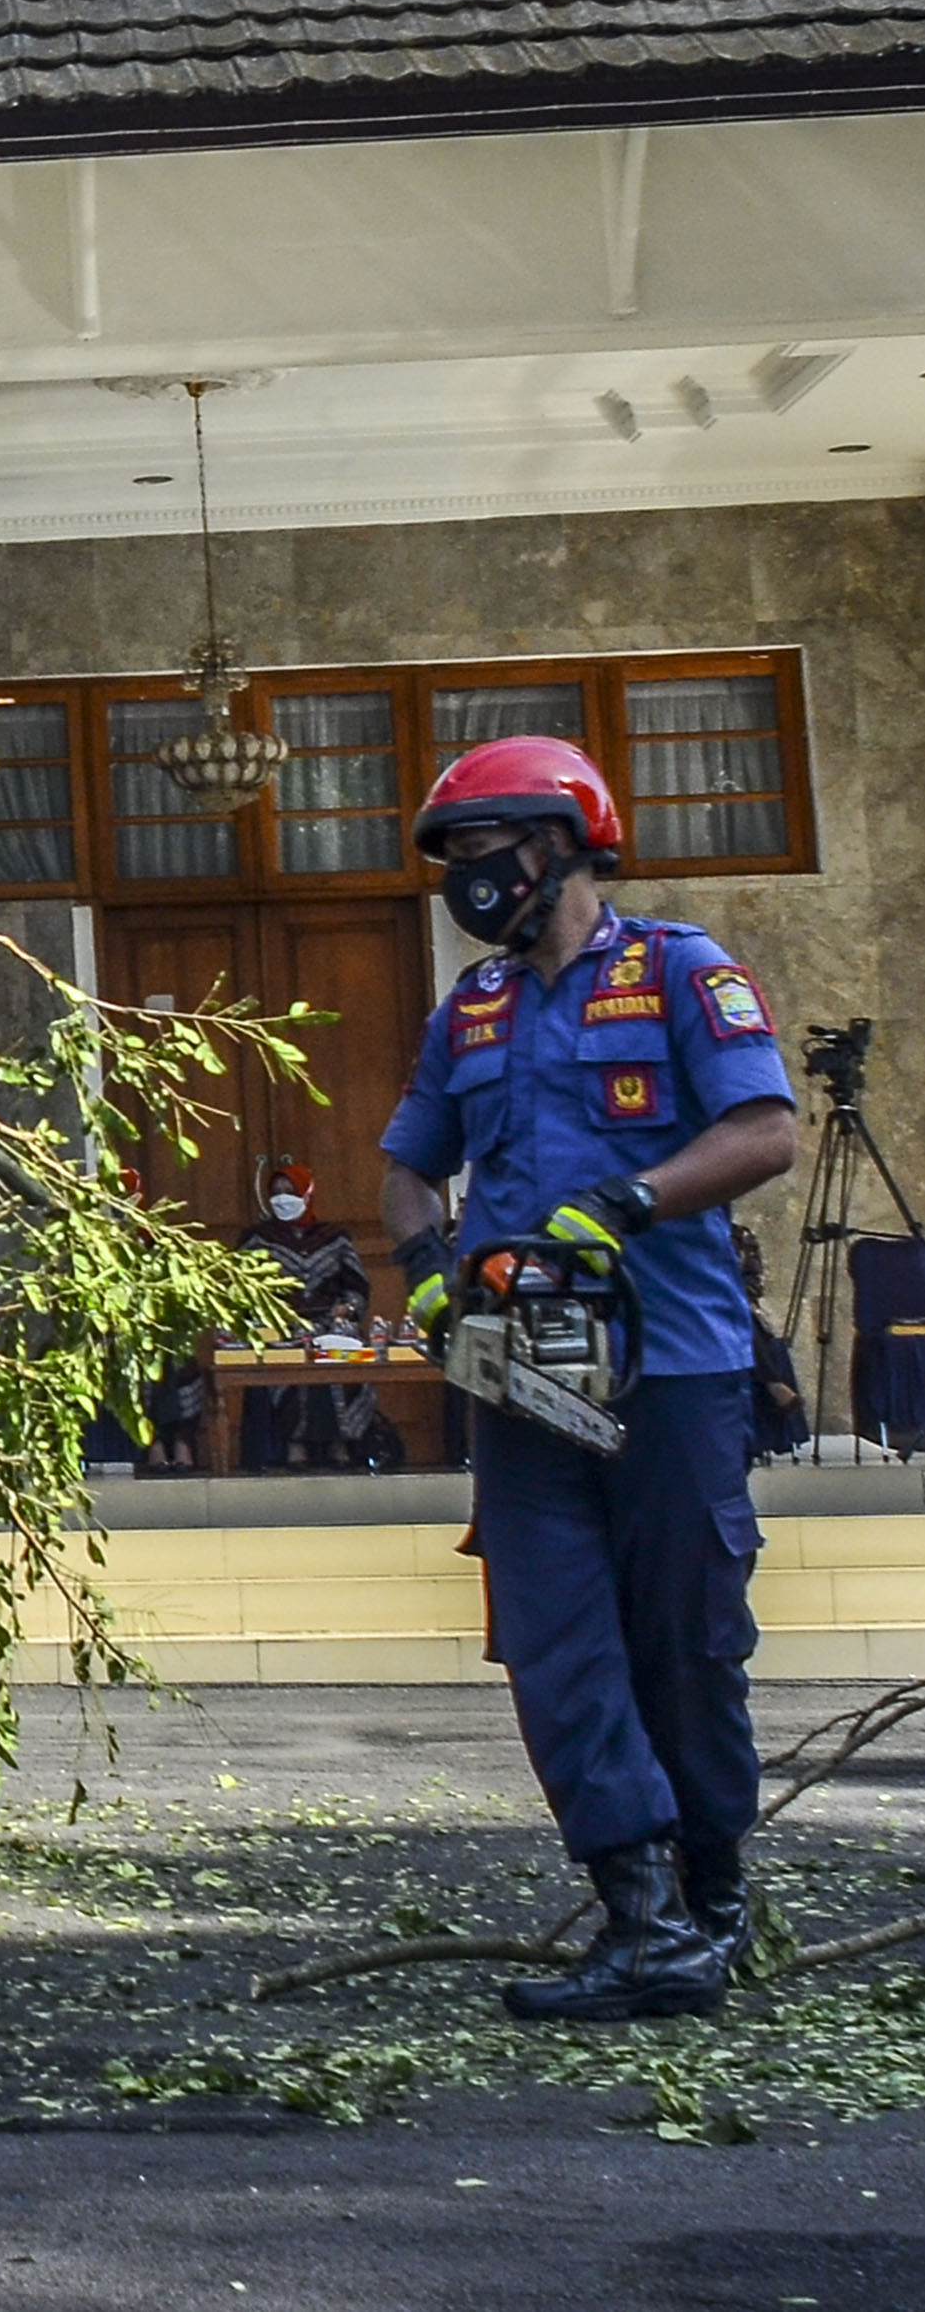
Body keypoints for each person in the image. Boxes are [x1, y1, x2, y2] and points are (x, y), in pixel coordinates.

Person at [382, 734, 801, 2019]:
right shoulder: (474, 1011)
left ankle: (715, 1908)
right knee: (558, 1648)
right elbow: (410, 1159)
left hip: (670, 1368)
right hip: (522, 1379)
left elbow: (767, 1131)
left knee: (683, 1645)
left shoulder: (681, 970)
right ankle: (643, 1921)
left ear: (557, 843)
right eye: (450, 858)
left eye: (481, 850)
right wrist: (428, 1264)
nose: (465, 878)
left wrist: (624, 1202)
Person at [239, 1159, 385, 1470]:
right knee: (288, 1357)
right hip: (280, 1325)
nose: (282, 1198)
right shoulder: (258, 1238)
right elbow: (242, 1288)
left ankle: (341, 1444)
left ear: (306, 1194)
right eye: (276, 1192)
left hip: (331, 1323)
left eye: (289, 1191)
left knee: (344, 1355)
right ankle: (294, 1445)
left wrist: (348, 1309)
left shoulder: (334, 1237)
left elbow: (357, 1286)